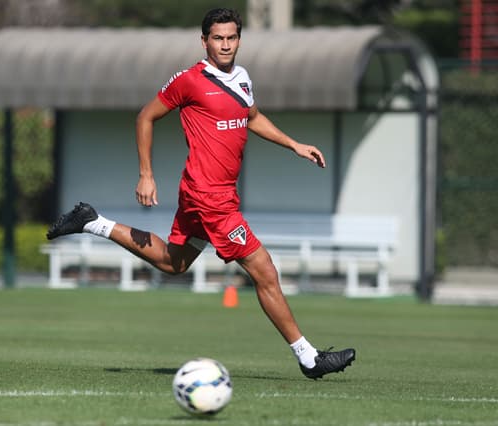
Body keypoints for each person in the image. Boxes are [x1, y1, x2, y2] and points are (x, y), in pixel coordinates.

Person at [47, 8, 355, 380]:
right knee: (265, 271)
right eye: (217, 38)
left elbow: (252, 116)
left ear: (239, 39)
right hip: (209, 197)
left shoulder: (241, 78)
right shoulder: (190, 80)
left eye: (231, 38)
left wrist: (294, 144)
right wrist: (146, 175)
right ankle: (309, 358)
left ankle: (93, 222)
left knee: (173, 264)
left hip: (211, 194)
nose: (225, 45)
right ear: (205, 40)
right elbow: (145, 116)